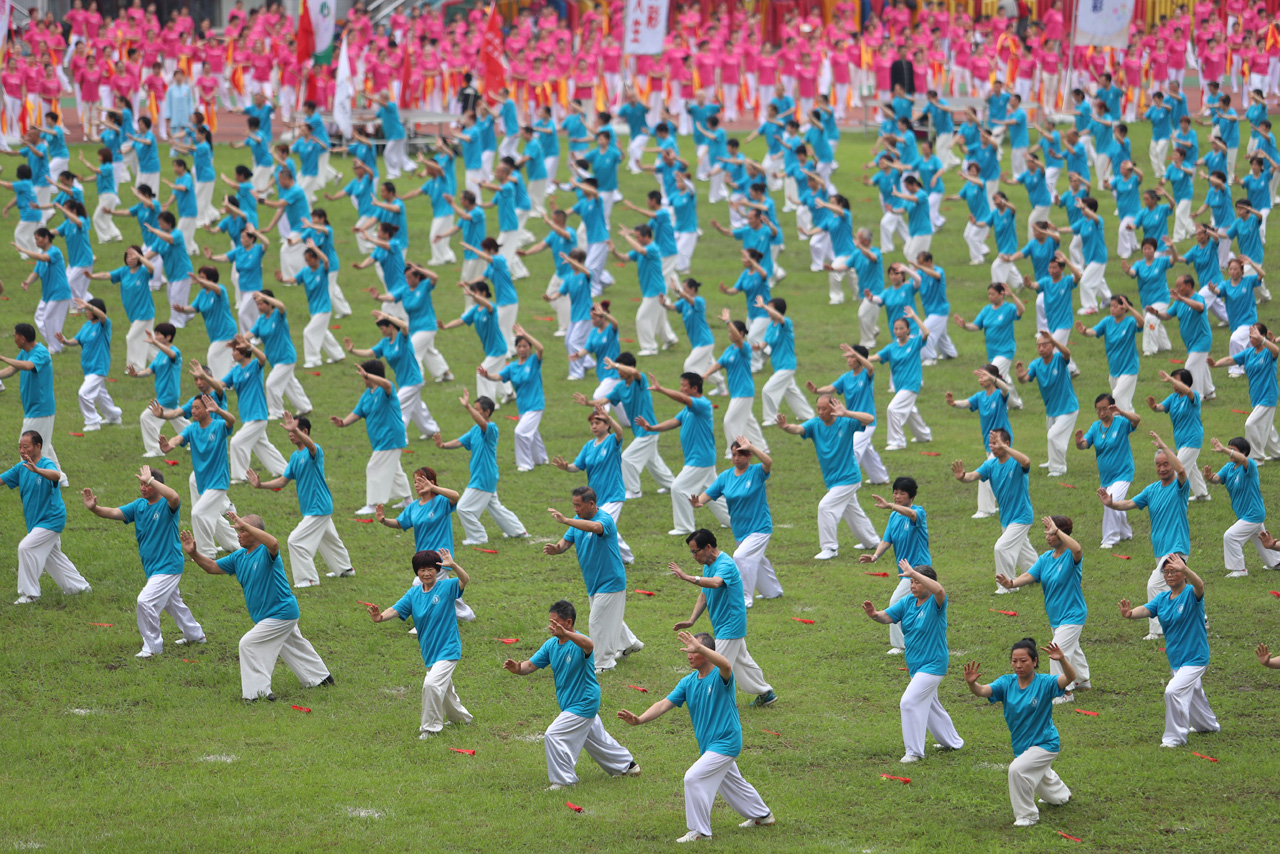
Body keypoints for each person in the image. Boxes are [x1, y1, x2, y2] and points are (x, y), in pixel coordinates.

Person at [616, 631, 775, 843]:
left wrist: (699, 647)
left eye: (693, 650)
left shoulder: (721, 676)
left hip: (726, 742)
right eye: (689, 651)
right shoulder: (688, 682)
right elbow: (664, 704)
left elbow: (727, 664)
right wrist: (639, 719)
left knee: (693, 778)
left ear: (706, 653)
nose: (689, 655)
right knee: (733, 783)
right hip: (710, 746)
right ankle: (762, 816)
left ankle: (700, 832)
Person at [181, 512, 334, 701]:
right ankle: (322, 679)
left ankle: (258, 694)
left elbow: (275, 543)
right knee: (293, 644)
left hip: (281, 613)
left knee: (249, 644)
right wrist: (193, 553)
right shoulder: (238, 557)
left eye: (242, 530)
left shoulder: (266, 551)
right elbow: (212, 567)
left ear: (254, 532)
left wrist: (244, 525)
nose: (238, 534)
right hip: (269, 616)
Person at [503, 599, 641, 789]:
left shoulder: (579, 642)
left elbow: (590, 644)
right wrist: (517, 668)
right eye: (550, 621)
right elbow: (530, 666)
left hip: (584, 702)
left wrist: (567, 634)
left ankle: (564, 781)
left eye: (555, 622)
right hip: (570, 703)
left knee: (554, 734)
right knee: (596, 739)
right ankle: (627, 766)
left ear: (568, 622)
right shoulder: (551, 645)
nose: (551, 626)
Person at [81, 465, 204, 656]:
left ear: (157, 485)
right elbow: (114, 512)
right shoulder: (138, 506)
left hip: (169, 565)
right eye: (141, 484)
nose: (143, 488)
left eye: (146, 484)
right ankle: (195, 634)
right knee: (173, 603)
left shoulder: (166, 505)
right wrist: (94, 508)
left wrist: (151, 479)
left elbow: (175, 497)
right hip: (154, 568)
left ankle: (153, 646)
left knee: (144, 601)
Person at [962, 638, 1077, 827]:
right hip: (1023, 745)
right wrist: (972, 684)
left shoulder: (1045, 683)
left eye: (1023, 661)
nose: (1018, 665)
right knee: (1039, 773)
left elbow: (1069, 678)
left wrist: (1062, 660)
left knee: (1017, 769)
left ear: (1034, 661)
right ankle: (1062, 795)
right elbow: (982, 691)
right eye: (1014, 661)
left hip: (1045, 743)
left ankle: (1027, 816)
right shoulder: (1006, 683)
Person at [862, 559, 965, 763]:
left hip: (933, 664)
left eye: (916, 582)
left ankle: (914, 752)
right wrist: (874, 615)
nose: (912, 586)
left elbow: (940, 590)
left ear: (926, 582)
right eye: (910, 582)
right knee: (931, 705)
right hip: (916, 666)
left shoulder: (936, 603)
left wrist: (914, 572)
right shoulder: (908, 602)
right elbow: (886, 617)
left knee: (909, 702)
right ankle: (952, 741)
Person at [366, 548, 473, 736]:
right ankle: (461, 719)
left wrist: (454, 565)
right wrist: (380, 617)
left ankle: (430, 728)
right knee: (444, 688)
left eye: (430, 569)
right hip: (429, 650)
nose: (426, 573)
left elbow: (465, 580)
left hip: (448, 648)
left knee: (431, 684)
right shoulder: (414, 593)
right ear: (417, 571)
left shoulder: (446, 588)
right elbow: (396, 609)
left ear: (437, 570)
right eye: (422, 569)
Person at [1118, 554, 1219, 747]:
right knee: (1195, 692)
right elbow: (1146, 610)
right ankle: (1208, 725)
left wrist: (1186, 569)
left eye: (1174, 571)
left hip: (1195, 657)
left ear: (1183, 574)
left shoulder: (1191, 594)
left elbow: (1200, 586)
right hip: (1176, 659)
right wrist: (1130, 614)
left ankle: (1174, 738)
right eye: (1166, 572)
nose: (1170, 575)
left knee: (1172, 691)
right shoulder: (1163, 599)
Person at [1097, 431, 1190, 640]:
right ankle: (1199, 617)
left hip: (1176, 547)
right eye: (1158, 465)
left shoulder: (1179, 487)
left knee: (1155, 584)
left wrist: (1164, 446)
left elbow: (1182, 469)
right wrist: (1111, 503)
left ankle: (1156, 631)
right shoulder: (1151, 490)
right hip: (1161, 549)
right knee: (1179, 586)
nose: (1162, 468)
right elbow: (1129, 503)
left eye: (1166, 464)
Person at [671, 528, 778, 707]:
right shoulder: (708, 566)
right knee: (742, 662)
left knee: (712, 661)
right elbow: (704, 594)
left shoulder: (725, 564)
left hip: (731, 624)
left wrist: (687, 577)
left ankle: (709, 700)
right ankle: (765, 692)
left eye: (695, 551)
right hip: (722, 625)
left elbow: (716, 582)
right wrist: (691, 620)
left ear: (708, 547)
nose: (693, 556)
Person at [245, 413, 354, 589]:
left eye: (293, 429)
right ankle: (345, 569)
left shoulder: (314, 450)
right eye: (289, 429)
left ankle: (308, 579)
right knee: (329, 539)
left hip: (319, 507)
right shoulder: (295, 457)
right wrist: (260, 485)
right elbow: (282, 481)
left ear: (304, 431)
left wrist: (295, 428)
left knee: (295, 541)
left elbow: (311, 445)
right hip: (314, 508)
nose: (289, 432)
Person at [543, 486, 642, 673]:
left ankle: (604, 663)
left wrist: (566, 520)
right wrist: (557, 549)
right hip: (594, 582)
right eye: (573, 505)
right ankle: (630, 643)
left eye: (578, 505)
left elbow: (596, 528)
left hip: (611, 581)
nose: (575, 509)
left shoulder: (604, 519)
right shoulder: (578, 522)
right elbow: (565, 543)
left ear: (591, 504)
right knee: (607, 617)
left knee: (597, 621)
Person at [996, 517, 1091, 703]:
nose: (1047, 536)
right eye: (1046, 532)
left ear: (1060, 533)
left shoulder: (1071, 556)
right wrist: (1011, 583)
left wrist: (1057, 530)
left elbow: (1078, 549)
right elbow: (1029, 575)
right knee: (1073, 648)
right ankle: (1082, 680)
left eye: (1050, 532)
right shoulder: (1046, 558)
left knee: (1057, 652)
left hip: (1073, 614)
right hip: (1056, 615)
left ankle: (1064, 693)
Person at [776, 394, 879, 560]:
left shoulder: (846, 422)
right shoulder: (815, 424)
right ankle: (872, 541)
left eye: (824, 408)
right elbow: (799, 429)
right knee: (852, 510)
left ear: (833, 409)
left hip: (849, 477)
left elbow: (870, 418)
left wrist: (846, 412)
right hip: (833, 480)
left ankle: (830, 548)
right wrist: (786, 427)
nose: (820, 411)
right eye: (818, 408)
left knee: (825, 507)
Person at [631, 372, 731, 536]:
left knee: (678, 488)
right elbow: (673, 422)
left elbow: (684, 399)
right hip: (701, 458)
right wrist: (652, 428)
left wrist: (660, 389)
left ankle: (685, 527)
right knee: (713, 493)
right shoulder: (688, 410)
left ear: (694, 388)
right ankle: (732, 520)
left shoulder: (702, 404)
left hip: (700, 459)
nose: (681, 388)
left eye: (684, 385)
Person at [3, 430, 91, 605]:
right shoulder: (21, 468)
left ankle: (29, 594)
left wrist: (37, 470)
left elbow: (56, 475)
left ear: (38, 446)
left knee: (26, 547)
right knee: (53, 557)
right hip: (36, 522)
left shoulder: (46, 463)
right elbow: (2, 479)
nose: (22, 450)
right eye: (20, 447)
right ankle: (79, 587)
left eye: (26, 446)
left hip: (52, 519)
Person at [693, 437, 780, 608]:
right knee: (757, 559)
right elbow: (709, 493)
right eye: (733, 455)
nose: (735, 458)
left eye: (740, 455)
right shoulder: (726, 476)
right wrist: (699, 502)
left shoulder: (756, 472)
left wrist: (752, 447)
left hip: (760, 527)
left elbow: (768, 462)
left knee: (741, 556)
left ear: (748, 456)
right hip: (740, 530)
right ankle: (773, 591)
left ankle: (745, 597)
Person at [431, 390, 528, 544]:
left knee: (463, 508)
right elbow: (459, 441)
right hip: (482, 475)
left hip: (484, 476)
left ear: (487, 412)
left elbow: (483, 424)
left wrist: (468, 407)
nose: (474, 412)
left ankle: (478, 537)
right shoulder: (475, 430)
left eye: (477, 410)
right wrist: (442, 445)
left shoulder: (491, 429)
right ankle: (518, 531)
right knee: (495, 507)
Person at [952, 429, 1038, 594]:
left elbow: (1026, 461)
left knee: (1001, 547)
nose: (992, 446)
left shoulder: (1015, 462)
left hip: (1022, 516)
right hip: (1007, 518)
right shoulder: (990, 465)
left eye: (996, 443)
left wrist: (1005, 449)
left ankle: (1007, 586)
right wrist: (962, 476)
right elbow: (971, 476)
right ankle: (1040, 573)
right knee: (1023, 551)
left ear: (1006, 444)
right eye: (990, 443)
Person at [553, 404, 636, 565]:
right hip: (595, 497)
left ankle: (625, 557)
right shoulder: (589, 446)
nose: (594, 426)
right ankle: (626, 557)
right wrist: (566, 467)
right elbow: (577, 466)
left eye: (598, 423)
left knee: (602, 525)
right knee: (606, 525)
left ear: (607, 425)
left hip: (613, 494)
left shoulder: (612, 440)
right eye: (592, 423)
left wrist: (609, 416)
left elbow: (620, 433)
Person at [858, 477, 931, 655]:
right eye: (895, 492)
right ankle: (922, 639)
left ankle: (901, 645)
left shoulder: (918, 512)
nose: (897, 496)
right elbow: (886, 541)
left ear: (911, 497)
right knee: (921, 606)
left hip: (918, 570)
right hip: (906, 572)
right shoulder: (894, 517)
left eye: (902, 493)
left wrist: (890, 505)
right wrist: (875, 556)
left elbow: (912, 515)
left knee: (897, 602)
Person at [329, 359, 412, 515]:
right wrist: (343, 423)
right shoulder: (367, 395)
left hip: (391, 438)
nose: (362, 379)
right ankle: (408, 501)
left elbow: (387, 384)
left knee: (374, 467)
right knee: (395, 471)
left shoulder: (387, 389)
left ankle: (372, 504)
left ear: (369, 376)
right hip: (380, 440)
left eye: (363, 376)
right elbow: (357, 413)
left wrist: (368, 374)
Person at [807, 344, 889, 485]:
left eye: (851, 357)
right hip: (851, 421)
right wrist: (817, 391)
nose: (849, 360)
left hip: (866, 421)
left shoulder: (866, 374)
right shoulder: (846, 377)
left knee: (852, 448)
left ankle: (846, 479)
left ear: (859, 359)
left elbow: (871, 367)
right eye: (848, 357)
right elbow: (831, 388)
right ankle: (880, 478)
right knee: (867, 451)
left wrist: (855, 353)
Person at [944, 364, 1014, 519]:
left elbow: (1006, 389)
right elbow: (966, 403)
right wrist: (953, 403)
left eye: (983, 376)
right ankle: (997, 504)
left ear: (992, 378)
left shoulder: (999, 395)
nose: (980, 379)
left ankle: (985, 509)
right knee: (997, 473)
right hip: (989, 442)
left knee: (985, 472)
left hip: (1002, 441)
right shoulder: (980, 396)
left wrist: (994, 379)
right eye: (980, 376)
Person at [1204, 436, 1280, 577]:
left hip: (1253, 514)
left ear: (1243, 452)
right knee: (1261, 538)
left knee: (1230, 536)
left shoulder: (1250, 465)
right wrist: (1209, 478)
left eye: (1233, 450)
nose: (1230, 452)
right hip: (1245, 514)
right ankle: (1276, 562)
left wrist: (1224, 450)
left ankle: (1239, 569)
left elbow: (1244, 460)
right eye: (1229, 448)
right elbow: (1217, 479)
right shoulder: (1229, 468)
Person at [1075, 393, 1141, 549]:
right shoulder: (1095, 427)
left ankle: (1110, 539)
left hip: (1123, 473)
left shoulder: (1121, 423)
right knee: (1116, 502)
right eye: (1098, 409)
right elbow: (1085, 444)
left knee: (1109, 501)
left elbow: (1137, 419)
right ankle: (1125, 533)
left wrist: (1122, 412)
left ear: (1112, 408)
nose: (1101, 413)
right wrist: (1079, 442)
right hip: (1106, 477)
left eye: (1104, 409)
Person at [705, 308, 770, 458]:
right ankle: (762, 447)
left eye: (732, 332)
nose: (729, 335)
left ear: (740, 333)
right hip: (736, 392)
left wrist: (728, 321)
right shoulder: (729, 349)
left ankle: (733, 450)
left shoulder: (744, 348)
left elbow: (740, 340)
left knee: (729, 420)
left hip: (744, 391)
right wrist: (706, 374)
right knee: (749, 421)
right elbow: (719, 364)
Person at [1210, 323, 1280, 461]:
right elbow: (1231, 359)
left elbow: (1276, 350)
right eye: (1250, 337)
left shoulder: (1268, 352)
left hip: (1268, 396)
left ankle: (1256, 457)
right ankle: (1277, 453)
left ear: (1262, 336)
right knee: (1267, 427)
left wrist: (1262, 340)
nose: (1250, 339)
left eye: (1254, 336)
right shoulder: (1248, 353)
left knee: (1251, 424)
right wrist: (1216, 364)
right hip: (1256, 397)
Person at [484, 324, 548, 472]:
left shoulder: (533, 361)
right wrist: (486, 375)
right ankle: (541, 459)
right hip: (522, 406)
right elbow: (498, 376)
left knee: (520, 432)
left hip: (536, 404)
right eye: (519, 346)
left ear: (529, 348)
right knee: (532, 432)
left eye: (525, 346)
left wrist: (525, 333)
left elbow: (541, 348)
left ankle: (526, 464)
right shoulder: (512, 367)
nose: (522, 349)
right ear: (516, 348)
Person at [953, 283, 1026, 410]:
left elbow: (1021, 310)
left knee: (994, 377)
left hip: (1006, 350)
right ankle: (1015, 403)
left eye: (993, 294)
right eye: (989, 294)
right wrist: (964, 326)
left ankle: (1000, 403)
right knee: (1004, 378)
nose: (990, 296)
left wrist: (1012, 295)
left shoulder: (1008, 308)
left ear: (1001, 294)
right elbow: (976, 326)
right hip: (992, 352)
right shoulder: (986, 310)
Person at [1015, 332, 1078, 477]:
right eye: (1038, 346)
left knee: (1054, 436)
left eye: (1045, 345)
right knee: (1052, 435)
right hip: (1052, 409)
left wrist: (1053, 340)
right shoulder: (1036, 364)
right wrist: (1020, 374)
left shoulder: (1059, 359)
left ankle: (1059, 468)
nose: (1041, 348)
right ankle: (1052, 461)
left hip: (1068, 408)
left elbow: (1067, 353)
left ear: (1052, 346)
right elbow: (1024, 379)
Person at [869, 309, 934, 451]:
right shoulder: (891, 347)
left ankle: (898, 441)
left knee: (893, 409)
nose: (898, 331)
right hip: (900, 386)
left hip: (911, 384)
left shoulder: (914, 343)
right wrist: (859, 357)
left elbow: (926, 333)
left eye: (901, 328)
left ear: (908, 330)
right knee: (911, 411)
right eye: (896, 329)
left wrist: (914, 317)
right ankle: (924, 435)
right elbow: (876, 358)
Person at [57, 297, 123, 431]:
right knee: (100, 395)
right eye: (86, 309)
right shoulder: (86, 326)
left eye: (88, 309)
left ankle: (92, 421)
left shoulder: (104, 325)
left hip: (99, 367)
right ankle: (114, 416)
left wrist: (88, 304)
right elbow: (76, 340)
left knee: (84, 393)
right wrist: (64, 341)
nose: (86, 312)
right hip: (88, 368)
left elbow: (103, 316)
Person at [1073, 294, 1143, 412]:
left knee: (1117, 395)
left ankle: (1124, 422)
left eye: (1115, 306)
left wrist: (1129, 308)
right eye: (1111, 306)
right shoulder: (1107, 321)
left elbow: (1142, 323)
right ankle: (1131, 416)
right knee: (1123, 398)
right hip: (1114, 370)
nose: (1112, 309)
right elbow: (1093, 332)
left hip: (1129, 368)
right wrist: (1085, 332)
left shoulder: (1130, 322)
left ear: (1123, 307)